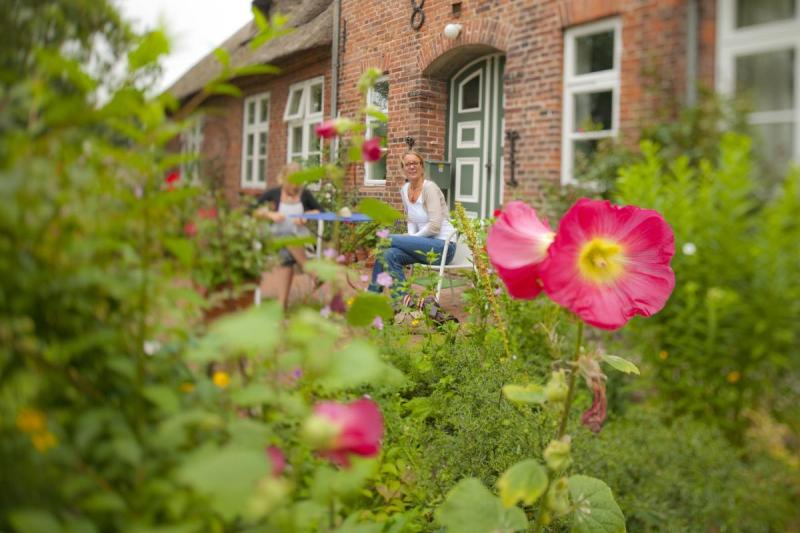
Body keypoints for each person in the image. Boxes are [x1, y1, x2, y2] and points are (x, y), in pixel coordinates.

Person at [368, 150, 456, 297]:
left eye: (415, 163)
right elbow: (411, 220)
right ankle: (403, 301)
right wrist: (410, 238)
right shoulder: (404, 190)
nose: (412, 167)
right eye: (407, 164)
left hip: (443, 247)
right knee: (389, 254)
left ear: (421, 167)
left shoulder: (430, 188)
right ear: (403, 169)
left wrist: (412, 239)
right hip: (422, 246)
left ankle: (372, 293)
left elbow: (435, 227)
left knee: (387, 240)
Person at [253, 162, 322, 310]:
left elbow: (320, 210)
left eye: (297, 184)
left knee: (286, 256)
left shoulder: (305, 194)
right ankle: (312, 272)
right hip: (274, 239)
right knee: (286, 238)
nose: (294, 188)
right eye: (291, 183)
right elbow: (252, 209)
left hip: (300, 241)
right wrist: (270, 214)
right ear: (283, 179)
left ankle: (281, 305)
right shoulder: (273, 194)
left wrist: (306, 216)